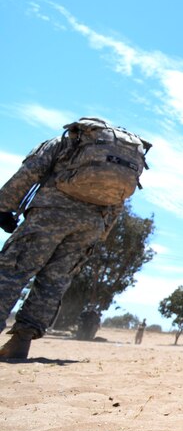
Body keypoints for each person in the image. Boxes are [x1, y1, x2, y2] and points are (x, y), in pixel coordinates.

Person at [0, 118, 149, 359]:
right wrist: (101, 232)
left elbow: (30, 171)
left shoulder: (66, 142)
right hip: (90, 225)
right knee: (53, 282)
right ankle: (21, 342)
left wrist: (4, 207)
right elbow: (118, 201)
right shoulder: (124, 160)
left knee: (12, 270)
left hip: (51, 213)